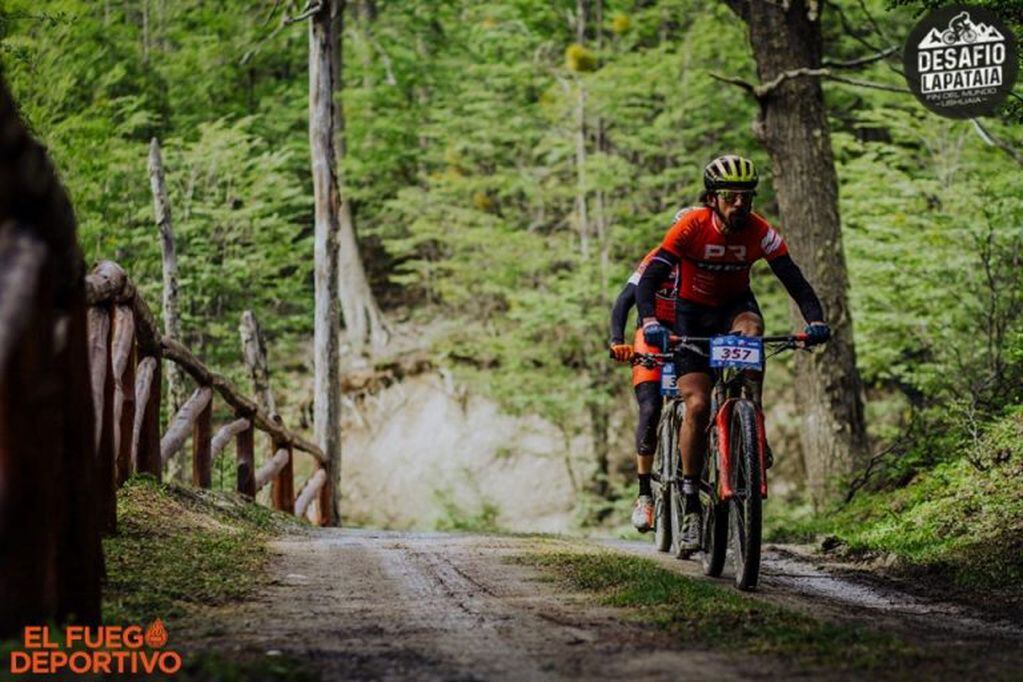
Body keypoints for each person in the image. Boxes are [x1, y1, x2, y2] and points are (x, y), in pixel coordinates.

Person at [636, 154, 830, 555]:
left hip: (734, 308)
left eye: (747, 196)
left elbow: (793, 278)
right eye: (730, 196)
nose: (740, 204)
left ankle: (751, 418)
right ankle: (690, 503)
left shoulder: (761, 232)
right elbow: (650, 278)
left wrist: (815, 321)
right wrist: (651, 320)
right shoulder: (691, 227)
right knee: (698, 404)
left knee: (753, 331)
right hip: (691, 317)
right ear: (712, 198)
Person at [608, 223, 688, 533]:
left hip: (688, 335)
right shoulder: (657, 259)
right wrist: (618, 341)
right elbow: (624, 301)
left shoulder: (711, 268)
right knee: (650, 407)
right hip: (651, 337)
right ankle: (644, 494)